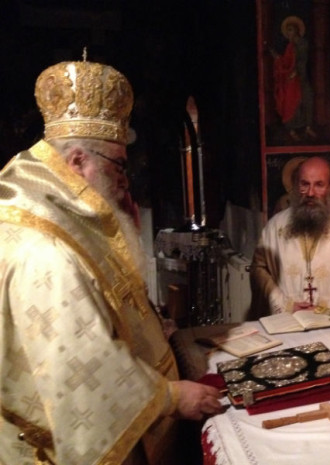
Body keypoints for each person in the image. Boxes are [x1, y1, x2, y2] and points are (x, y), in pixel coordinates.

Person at [0, 59, 222, 465]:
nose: (124, 179)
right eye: (118, 164)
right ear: (77, 162)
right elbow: (82, 369)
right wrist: (170, 397)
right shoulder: (43, 250)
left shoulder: (59, 211)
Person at [250, 156, 330, 315]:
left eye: (319, 185)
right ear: (295, 185)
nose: (310, 193)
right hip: (288, 319)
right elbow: (259, 270)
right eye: (304, 184)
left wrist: (329, 307)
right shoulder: (275, 226)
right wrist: (284, 304)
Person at [271, 15, 316, 142]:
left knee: (308, 99)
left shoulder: (302, 43)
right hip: (292, 79)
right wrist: (277, 58)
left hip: (301, 76)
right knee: (292, 102)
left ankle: (308, 127)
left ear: (296, 30)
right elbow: (286, 62)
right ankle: (292, 130)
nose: (288, 33)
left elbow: (302, 60)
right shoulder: (290, 46)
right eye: (287, 31)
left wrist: (295, 71)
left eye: (290, 30)